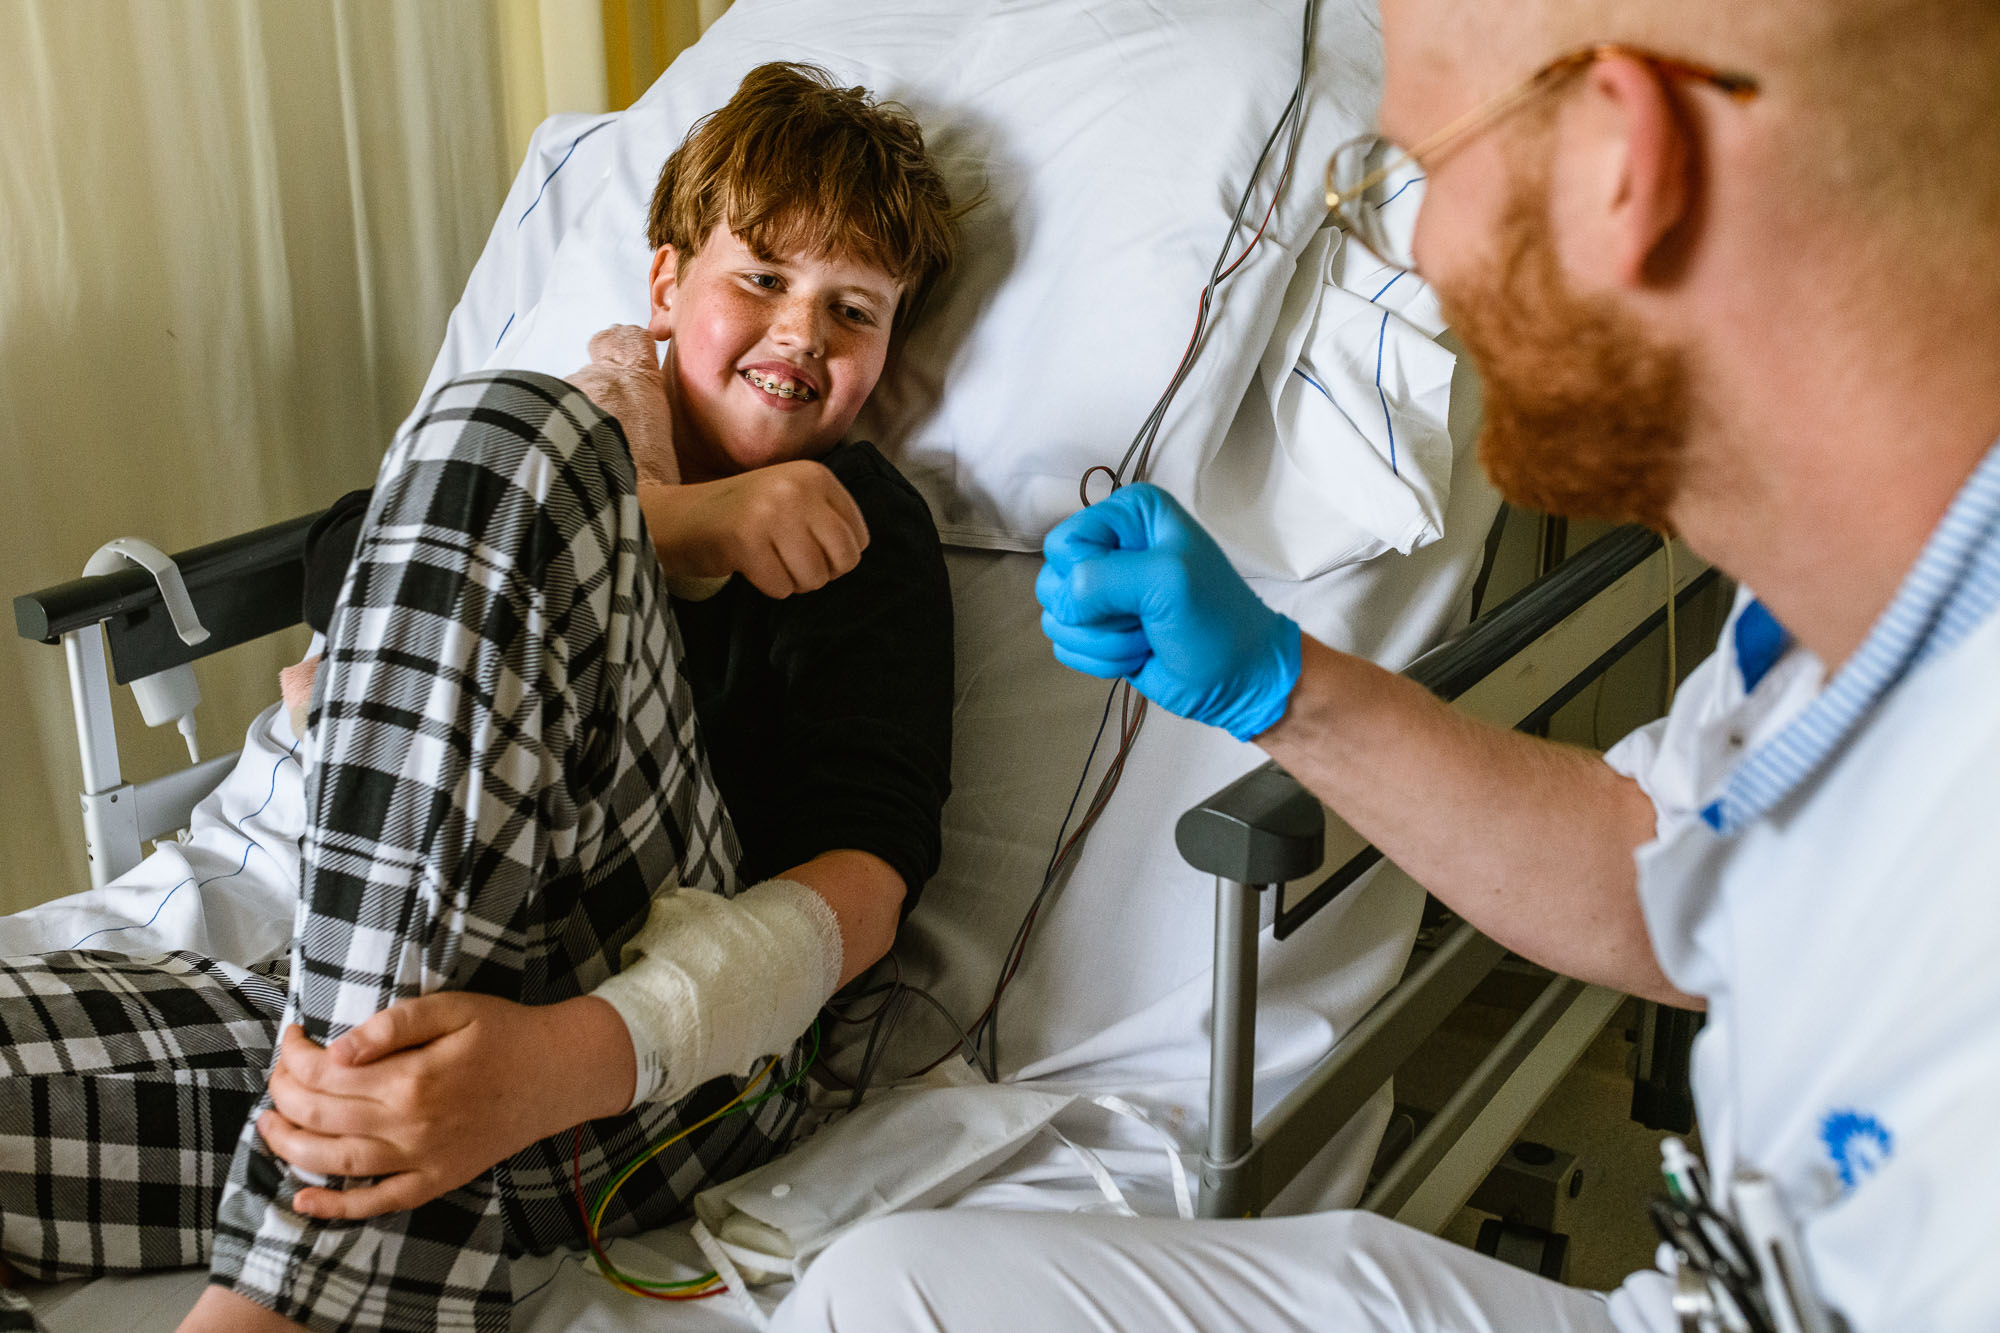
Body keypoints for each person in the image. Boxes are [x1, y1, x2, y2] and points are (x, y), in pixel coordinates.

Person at [768, 0, 2000, 1329]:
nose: (1415, 246)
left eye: (1412, 171)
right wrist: (1280, 684)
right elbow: (1657, 866)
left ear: (1620, 167)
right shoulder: (1849, 608)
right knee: (886, 1292)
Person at [0, 61, 957, 1333]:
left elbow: (871, 874)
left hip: (673, 1059)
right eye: (763, 279)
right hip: (382, 1012)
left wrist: (559, 1063)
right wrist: (674, 523)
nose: (801, 335)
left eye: (855, 311)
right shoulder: (560, 451)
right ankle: (371, 1182)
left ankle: (288, 1295)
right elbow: (356, 546)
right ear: (666, 282)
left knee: (517, 435)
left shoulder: (863, 530)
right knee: (510, 446)